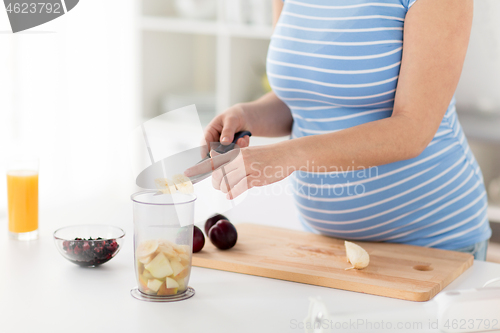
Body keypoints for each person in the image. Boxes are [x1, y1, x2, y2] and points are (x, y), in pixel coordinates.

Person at [189, 0, 491, 260]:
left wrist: (288, 156)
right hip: (328, 245)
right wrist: (247, 115)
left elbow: (413, 130)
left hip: (432, 243)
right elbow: (305, 97)